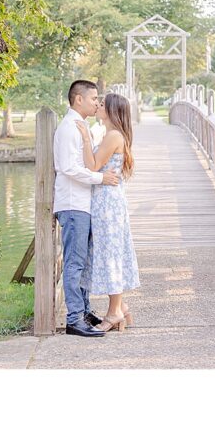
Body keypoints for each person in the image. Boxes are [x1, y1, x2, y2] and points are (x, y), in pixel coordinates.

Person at [53, 80, 120, 337]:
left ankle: (83, 311)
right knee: (75, 263)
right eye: (93, 98)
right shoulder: (69, 128)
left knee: (84, 262)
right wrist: (100, 178)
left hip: (84, 203)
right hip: (72, 205)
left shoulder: (83, 127)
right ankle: (73, 320)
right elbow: (68, 168)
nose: (96, 103)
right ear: (78, 99)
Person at [75, 92, 141, 333]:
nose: (98, 106)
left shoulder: (113, 135)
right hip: (109, 200)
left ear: (112, 110)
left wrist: (84, 138)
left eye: (102, 104)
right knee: (112, 250)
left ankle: (114, 312)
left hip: (107, 204)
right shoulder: (112, 134)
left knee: (110, 253)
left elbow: (92, 165)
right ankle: (121, 307)